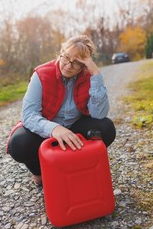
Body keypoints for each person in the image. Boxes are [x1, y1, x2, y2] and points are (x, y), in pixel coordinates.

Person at [7, 35, 116, 186]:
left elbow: (99, 114)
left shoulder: (89, 76)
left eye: (76, 63)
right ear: (61, 51)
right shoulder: (41, 74)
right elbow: (29, 115)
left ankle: (76, 166)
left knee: (106, 128)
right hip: (46, 130)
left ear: (84, 65)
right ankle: (39, 171)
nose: (68, 65)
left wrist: (96, 75)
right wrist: (54, 129)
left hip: (75, 128)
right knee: (19, 144)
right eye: (66, 57)